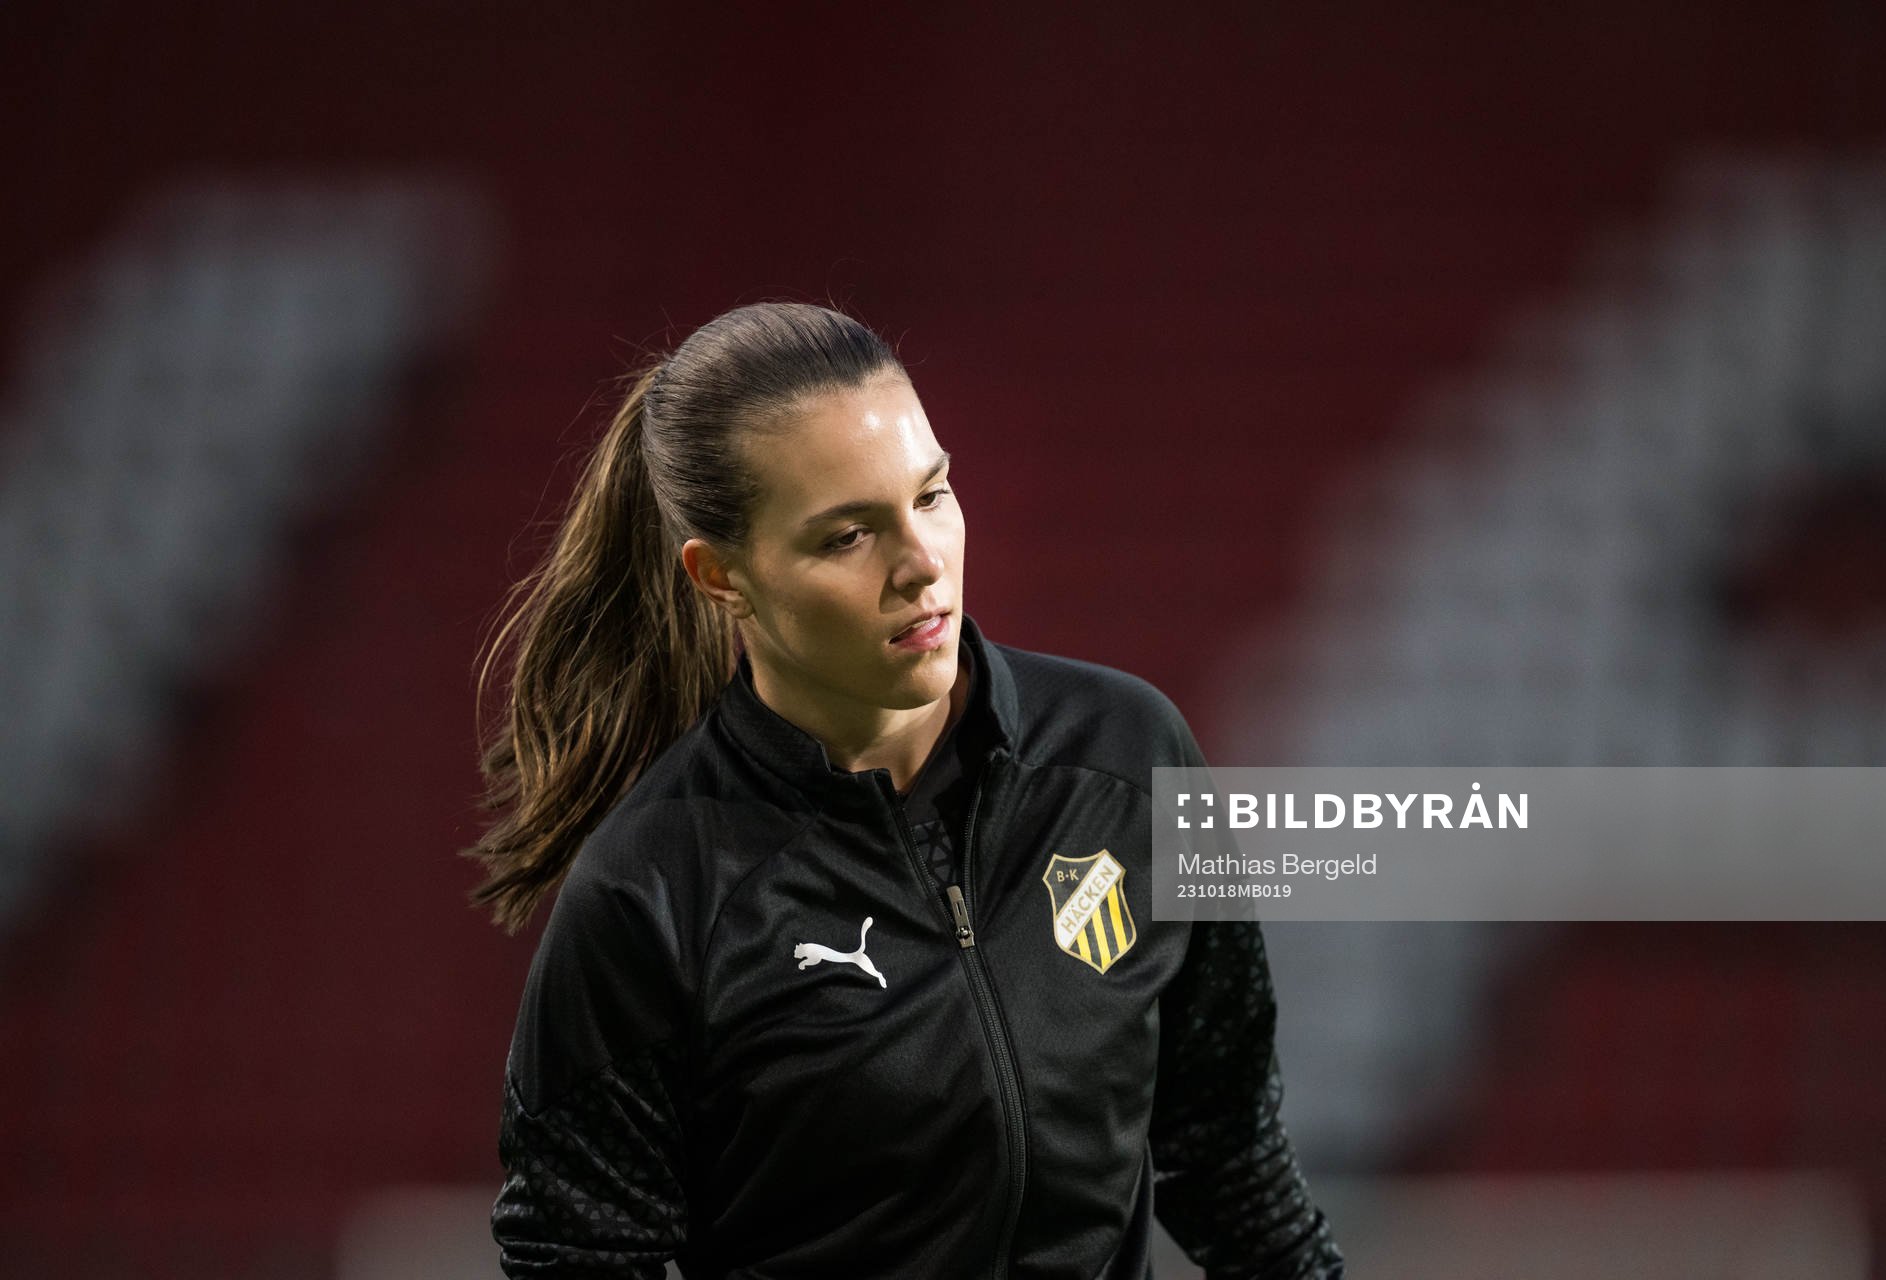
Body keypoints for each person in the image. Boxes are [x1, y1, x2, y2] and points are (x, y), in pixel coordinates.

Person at [463, 301, 1343, 1279]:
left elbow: (1230, 1157)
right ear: (721, 577)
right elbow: (575, 1255)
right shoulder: (652, 886)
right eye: (848, 535)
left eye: (932, 494)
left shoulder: (1128, 755)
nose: (922, 563)